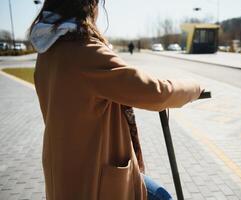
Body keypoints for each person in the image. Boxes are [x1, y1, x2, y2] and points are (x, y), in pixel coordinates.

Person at [29, 0, 203, 199]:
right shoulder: (85, 51)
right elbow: (155, 92)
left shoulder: (48, 51)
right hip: (96, 177)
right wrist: (194, 87)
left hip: (66, 171)